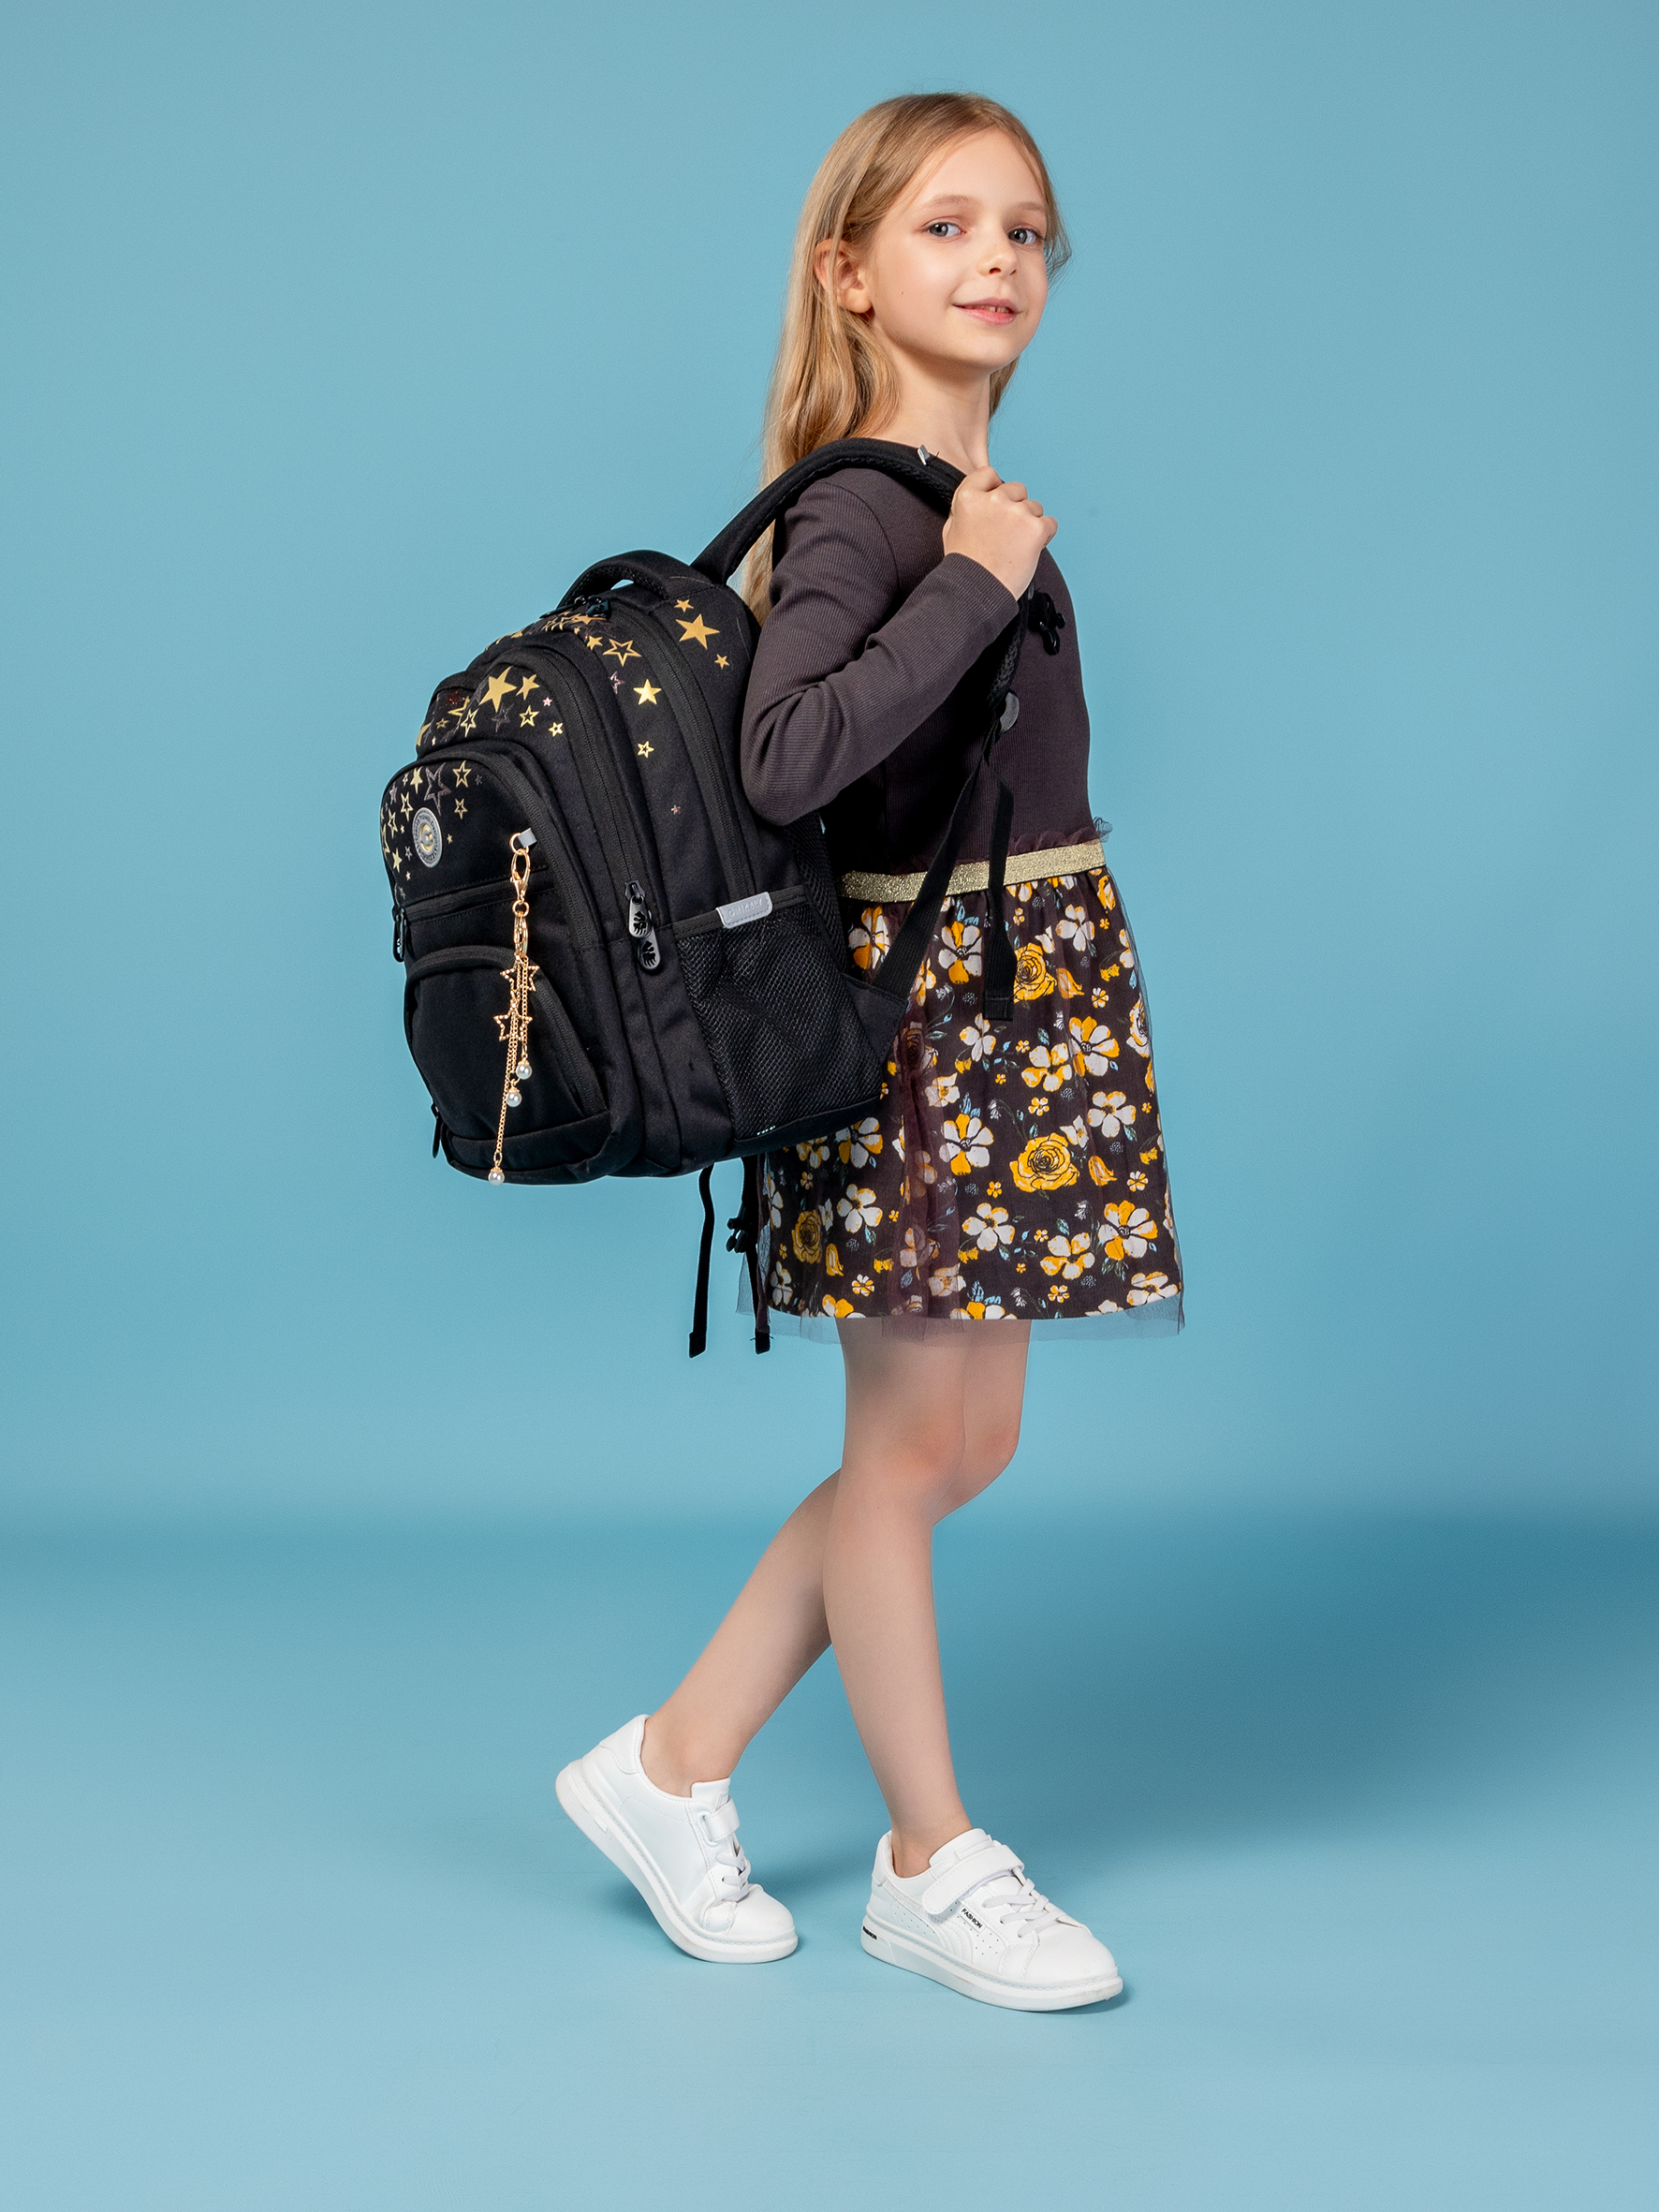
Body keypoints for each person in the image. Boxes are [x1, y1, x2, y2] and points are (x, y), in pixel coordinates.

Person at [557, 92, 1182, 2012]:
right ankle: (932, 1857)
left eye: (1025, 231)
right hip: (920, 1023)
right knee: (905, 1454)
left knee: (963, 1444)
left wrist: (986, 553)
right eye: (945, 227)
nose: (997, 259)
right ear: (847, 272)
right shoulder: (865, 506)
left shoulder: (959, 492)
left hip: (1021, 1002)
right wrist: (974, 578)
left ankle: (670, 1761)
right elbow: (783, 756)